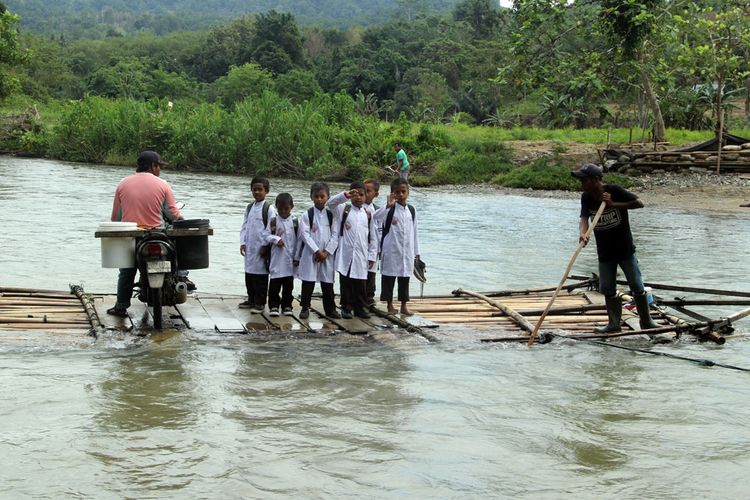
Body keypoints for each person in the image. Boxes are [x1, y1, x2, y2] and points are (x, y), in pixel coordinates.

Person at [573, 163, 658, 333]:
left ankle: (646, 321)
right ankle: (613, 324)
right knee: (608, 288)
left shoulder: (614, 190)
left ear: (595, 179)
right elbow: (584, 218)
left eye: (584, 180)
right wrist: (583, 233)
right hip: (605, 252)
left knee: (636, 285)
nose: (582, 183)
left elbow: (639, 203)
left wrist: (613, 204)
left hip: (624, 249)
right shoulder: (587, 197)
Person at [107, 150, 182, 317]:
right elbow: (172, 213)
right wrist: (182, 218)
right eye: (159, 167)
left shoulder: (122, 184)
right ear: (152, 166)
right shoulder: (163, 184)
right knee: (177, 257)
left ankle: (121, 306)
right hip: (157, 234)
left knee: (127, 270)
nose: (160, 170)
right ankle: (180, 279)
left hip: (131, 235)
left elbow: (115, 218)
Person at [327, 181, 378, 319]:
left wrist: (372, 255)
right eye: (355, 194)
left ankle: (360, 308)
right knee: (346, 282)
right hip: (346, 253)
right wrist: (345, 195)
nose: (358, 197)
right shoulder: (343, 209)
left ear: (366, 196)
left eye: (361, 194)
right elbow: (330, 203)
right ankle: (346, 307)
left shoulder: (368, 214)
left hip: (362, 253)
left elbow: (373, 237)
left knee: (360, 283)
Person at [374, 178, 420, 315]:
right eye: (397, 192)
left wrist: (417, 252)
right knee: (389, 278)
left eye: (403, 191)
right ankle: (389, 305)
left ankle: (404, 305)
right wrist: (387, 206)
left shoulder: (411, 210)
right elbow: (376, 217)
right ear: (392, 193)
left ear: (408, 192)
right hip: (391, 250)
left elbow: (415, 232)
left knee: (404, 278)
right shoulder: (389, 209)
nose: (400, 194)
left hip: (407, 251)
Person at [297, 182, 340, 319]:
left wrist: (326, 252)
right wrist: (317, 251)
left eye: (322, 196)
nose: (319, 199)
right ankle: (305, 307)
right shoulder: (307, 215)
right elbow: (305, 235)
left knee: (328, 283)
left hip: (327, 255)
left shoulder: (332, 215)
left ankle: (330, 309)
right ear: (311, 197)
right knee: (308, 282)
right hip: (311, 254)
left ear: (328, 197)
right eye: (316, 196)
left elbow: (335, 235)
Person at [239, 177, 276, 313]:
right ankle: (251, 299)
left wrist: (266, 246)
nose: (257, 192)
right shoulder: (249, 208)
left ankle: (260, 302)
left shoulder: (269, 209)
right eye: (254, 189)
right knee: (249, 274)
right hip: (250, 247)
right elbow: (244, 226)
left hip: (261, 248)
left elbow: (270, 229)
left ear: (266, 191)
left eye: (260, 189)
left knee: (260, 275)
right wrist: (242, 242)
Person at [265, 193, 298, 317]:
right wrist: (275, 239)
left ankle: (287, 305)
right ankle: (273, 305)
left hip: (290, 259)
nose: (283, 211)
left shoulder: (295, 222)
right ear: (276, 208)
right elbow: (265, 235)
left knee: (288, 285)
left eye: (286, 209)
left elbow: (299, 240)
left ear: (292, 207)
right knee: (274, 284)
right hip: (277, 258)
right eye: (280, 209)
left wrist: (297, 257)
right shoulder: (273, 221)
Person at [363, 179, 381, 307]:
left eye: (368, 191)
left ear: (376, 194)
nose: (365, 194)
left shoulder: (378, 210)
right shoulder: (355, 208)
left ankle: (369, 297)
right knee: (357, 274)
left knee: (371, 273)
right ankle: (356, 299)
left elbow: (380, 231)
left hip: (373, 246)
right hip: (359, 246)